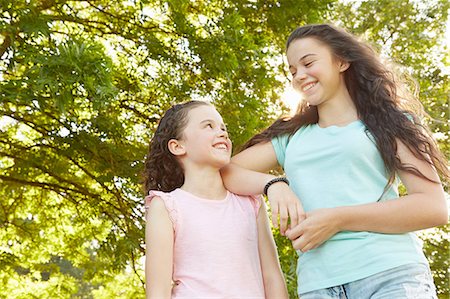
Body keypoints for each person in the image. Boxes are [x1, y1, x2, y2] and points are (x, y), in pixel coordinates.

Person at [221, 24, 449, 298]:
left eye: (308, 63)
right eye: (293, 70)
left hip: (389, 275)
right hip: (318, 285)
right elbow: (227, 172)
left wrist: (338, 219)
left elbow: (433, 206)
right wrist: (274, 184)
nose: (299, 75)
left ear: (341, 61)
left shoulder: (390, 124)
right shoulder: (291, 138)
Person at [142, 100, 288, 299]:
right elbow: (157, 292)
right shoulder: (167, 206)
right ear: (177, 146)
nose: (222, 133)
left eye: (223, 127)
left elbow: (272, 276)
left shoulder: (250, 202)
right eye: (208, 126)